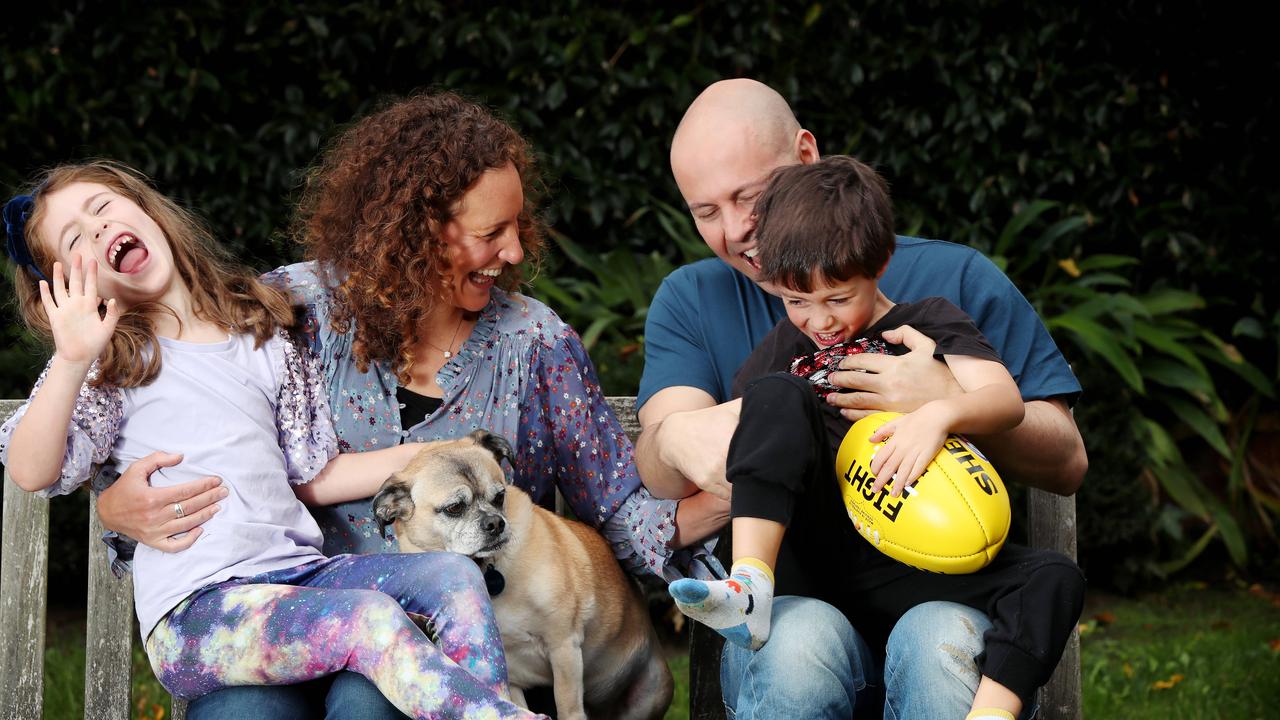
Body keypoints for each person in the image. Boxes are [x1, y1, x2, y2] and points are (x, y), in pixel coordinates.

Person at [92, 92, 702, 718]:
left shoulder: (534, 345)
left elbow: (618, 506)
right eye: (492, 233)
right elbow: (172, 406)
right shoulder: (289, 312)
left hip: (452, 649)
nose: (517, 251)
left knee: (372, 704)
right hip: (282, 619)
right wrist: (118, 508)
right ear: (417, 234)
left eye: (518, 227)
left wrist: (727, 497)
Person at [0, 161, 541, 719]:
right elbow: (31, 469)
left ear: (145, 208)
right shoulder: (109, 364)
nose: (97, 230)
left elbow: (312, 475)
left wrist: (426, 456)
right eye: (75, 239)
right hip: (201, 613)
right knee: (372, 619)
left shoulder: (257, 333)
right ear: (66, 287)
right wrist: (71, 356)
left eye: (103, 208)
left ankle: (489, 706)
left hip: (299, 579)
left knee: (451, 575)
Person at [635, 79, 1088, 717]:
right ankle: (753, 588)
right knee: (799, 643)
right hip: (800, 596)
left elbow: (1067, 461)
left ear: (805, 156)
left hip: (936, 585)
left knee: (938, 637)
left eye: (749, 196)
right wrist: (679, 436)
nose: (738, 230)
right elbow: (661, 475)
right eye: (706, 211)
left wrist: (940, 401)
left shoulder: (950, 286)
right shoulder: (693, 300)